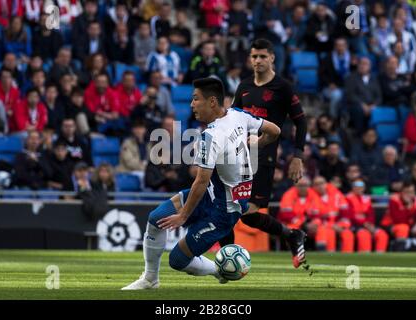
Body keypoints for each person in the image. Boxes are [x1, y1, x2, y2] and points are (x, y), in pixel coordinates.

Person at [121, 77, 280, 290]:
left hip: (224, 210)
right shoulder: (238, 115)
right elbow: (275, 131)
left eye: (196, 99)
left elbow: (201, 181)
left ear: (212, 102)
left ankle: (219, 270)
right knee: (156, 218)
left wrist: (183, 216)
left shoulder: (212, 136)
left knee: (177, 260)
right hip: (215, 193)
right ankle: (150, 279)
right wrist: (257, 144)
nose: (191, 104)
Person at [218, 38, 308, 269]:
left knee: (236, 209)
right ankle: (291, 235)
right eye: (254, 56)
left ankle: (227, 259)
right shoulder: (244, 86)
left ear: (272, 58)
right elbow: (232, 119)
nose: (257, 60)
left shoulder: (283, 87)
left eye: (262, 56)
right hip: (236, 156)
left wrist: (297, 156)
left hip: (263, 158)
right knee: (236, 211)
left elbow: (301, 122)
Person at [381, 181, 416, 251]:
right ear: (402, 192)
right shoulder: (394, 200)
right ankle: (399, 254)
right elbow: (397, 220)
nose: (409, 194)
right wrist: (408, 207)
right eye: (407, 192)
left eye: (412, 192)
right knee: (403, 228)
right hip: (391, 225)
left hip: (409, 225)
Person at [346, 178, 389, 253]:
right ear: (353, 187)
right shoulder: (348, 198)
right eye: (356, 186)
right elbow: (350, 215)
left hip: (367, 225)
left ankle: (380, 259)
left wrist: (370, 224)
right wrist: (364, 223)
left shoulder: (367, 198)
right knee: (364, 235)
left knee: (382, 234)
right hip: (354, 225)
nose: (359, 188)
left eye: (361, 186)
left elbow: (371, 214)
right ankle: (364, 259)